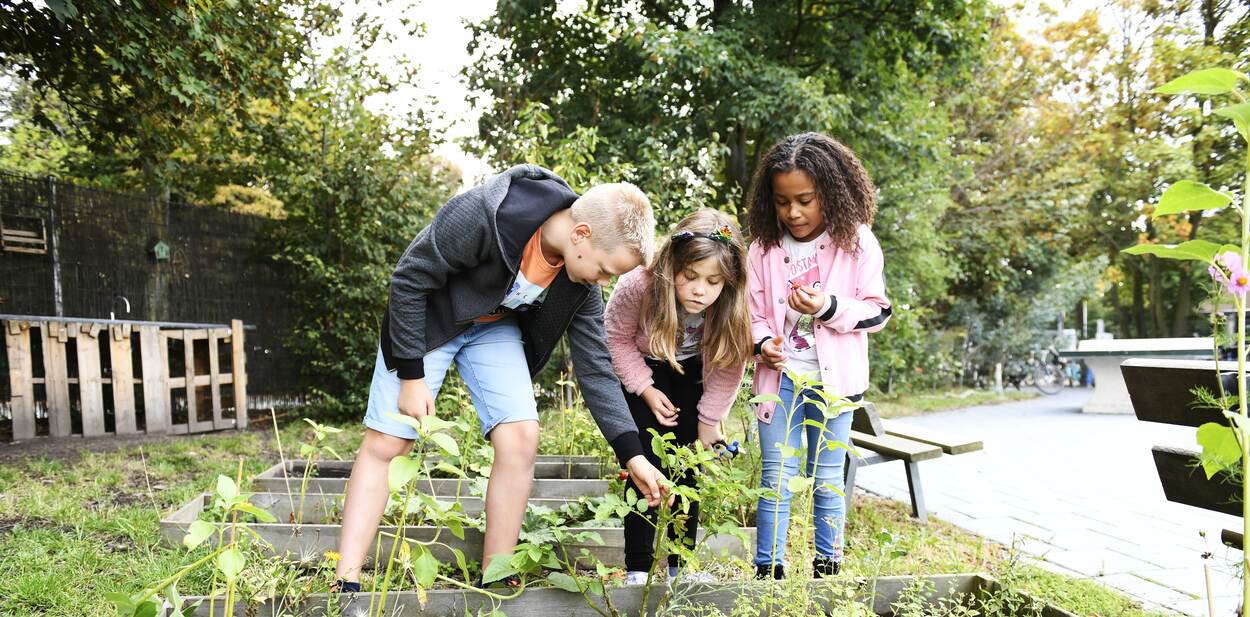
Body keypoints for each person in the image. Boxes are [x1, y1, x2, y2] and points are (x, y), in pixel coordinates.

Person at [331, 165, 671, 591]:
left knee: (521, 436)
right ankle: (345, 581)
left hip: (493, 327)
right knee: (390, 441)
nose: (603, 282)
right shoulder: (482, 215)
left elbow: (596, 365)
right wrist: (412, 376)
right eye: (605, 270)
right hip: (429, 319)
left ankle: (497, 575)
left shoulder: (581, 283)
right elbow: (409, 278)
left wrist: (632, 454)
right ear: (581, 233)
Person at [746, 133, 892, 579]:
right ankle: (767, 572)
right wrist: (763, 342)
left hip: (837, 385)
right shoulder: (762, 250)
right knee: (776, 478)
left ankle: (828, 569)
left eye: (806, 200)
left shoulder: (858, 242)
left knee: (827, 476)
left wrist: (828, 306)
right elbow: (751, 313)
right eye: (782, 201)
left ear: (830, 192)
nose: (793, 212)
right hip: (779, 382)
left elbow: (877, 311)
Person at [604, 209, 751, 585]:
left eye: (713, 282)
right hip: (643, 367)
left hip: (693, 369)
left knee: (688, 465)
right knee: (647, 463)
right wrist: (646, 389)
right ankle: (637, 568)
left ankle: (679, 567)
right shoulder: (639, 283)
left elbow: (728, 363)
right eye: (690, 278)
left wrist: (708, 422)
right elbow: (616, 338)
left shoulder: (730, 306)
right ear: (672, 267)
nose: (701, 290)